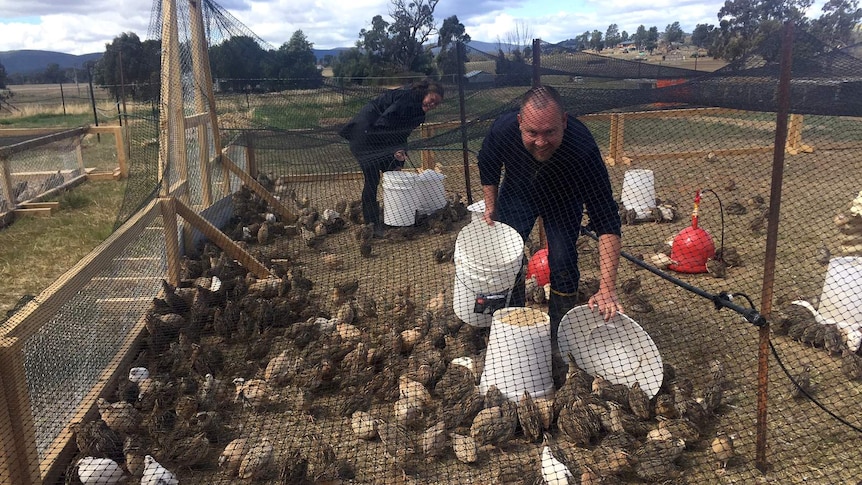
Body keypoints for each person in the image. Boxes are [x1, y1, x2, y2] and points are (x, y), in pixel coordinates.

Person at [477, 85, 624, 342]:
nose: (541, 142)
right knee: (506, 257)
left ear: (564, 121)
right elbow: (487, 162)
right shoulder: (503, 129)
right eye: (532, 132)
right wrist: (491, 205)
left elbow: (606, 218)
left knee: (563, 260)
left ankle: (559, 333)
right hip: (517, 192)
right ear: (520, 122)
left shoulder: (583, 148)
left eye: (550, 132)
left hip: (564, 199)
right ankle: (509, 324)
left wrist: (607, 289)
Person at [339, 79, 445, 237]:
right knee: (372, 178)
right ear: (425, 94)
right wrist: (394, 149)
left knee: (394, 171)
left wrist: (400, 152)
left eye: (436, 104)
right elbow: (384, 124)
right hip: (364, 135)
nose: (432, 105)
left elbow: (403, 133)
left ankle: (395, 217)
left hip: (377, 137)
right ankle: (372, 224)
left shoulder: (418, 112)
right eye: (432, 100)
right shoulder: (406, 101)